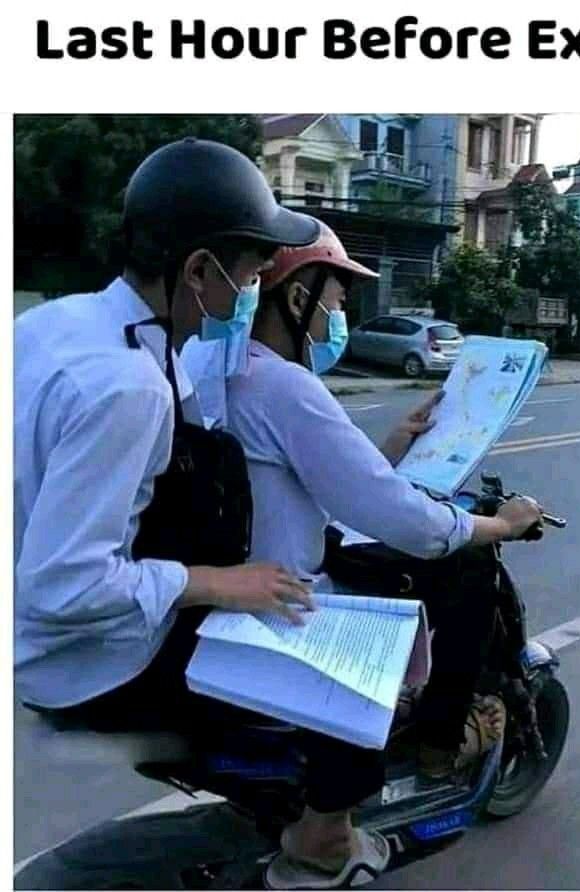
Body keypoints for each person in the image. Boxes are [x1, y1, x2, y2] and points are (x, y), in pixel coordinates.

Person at [14, 140, 392, 880]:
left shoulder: (65, 326)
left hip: (45, 633)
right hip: (89, 661)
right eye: (249, 271)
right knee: (348, 665)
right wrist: (219, 583)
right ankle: (322, 839)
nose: (251, 290)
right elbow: (63, 589)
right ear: (198, 272)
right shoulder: (127, 387)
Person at [181, 221, 543, 888]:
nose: (340, 317)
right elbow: (405, 518)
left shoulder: (223, 375)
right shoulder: (287, 387)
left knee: (410, 556)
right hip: (292, 592)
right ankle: (429, 751)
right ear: (299, 300)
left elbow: (321, 486)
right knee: (464, 564)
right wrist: (500, 523)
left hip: (251, 567)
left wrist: (393, 448)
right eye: (338, 301)